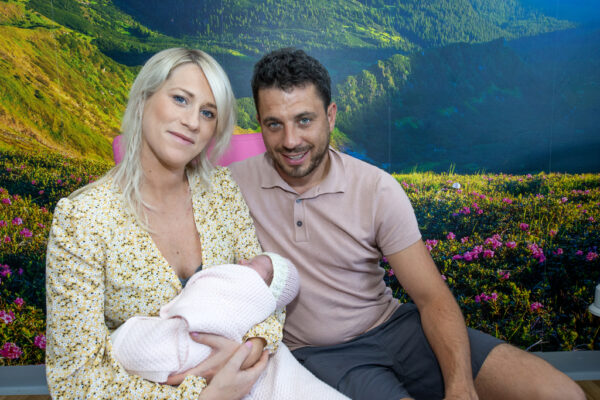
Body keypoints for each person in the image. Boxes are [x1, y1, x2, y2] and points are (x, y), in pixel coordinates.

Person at [229, 47, 586, 400]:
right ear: (259, 123)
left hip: (398, 328)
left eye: (304, 120)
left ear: (331, 116)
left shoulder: (376, 188)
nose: (290, 141)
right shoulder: (229, 188)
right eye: (274, 124)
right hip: (323, 355)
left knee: (562, 392)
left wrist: (461, 387)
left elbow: (431, 297)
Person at [46, 48, 276, 400]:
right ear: (142, 100)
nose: (192, 122)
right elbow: (74, 378)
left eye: (208, 112)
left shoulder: (223, 191)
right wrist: (203, 397)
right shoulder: (83, 218)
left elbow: (267, 293)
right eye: (180, 99)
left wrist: (249, 350)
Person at [111, 252, 349, 399]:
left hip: (244, 359)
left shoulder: (257, 297)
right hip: (187, 351)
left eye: (254, 263)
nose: (243, 260)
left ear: (268, 287)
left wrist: (247, 351)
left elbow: (268, 320)